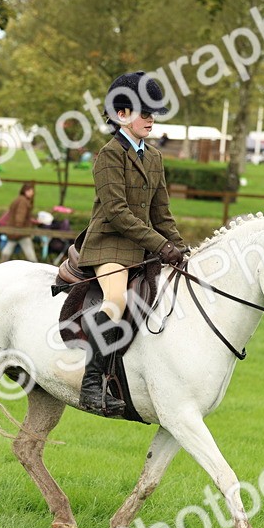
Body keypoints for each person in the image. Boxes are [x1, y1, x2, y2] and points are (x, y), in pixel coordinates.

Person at [76, 71, 186, 417]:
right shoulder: (108, 155)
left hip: (142, 247)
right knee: (116, 299)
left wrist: (181, 249)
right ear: (121, 114)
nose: (151, 119)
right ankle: (91, 384)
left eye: (154, 114)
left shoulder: (154, 158)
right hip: (109, 243)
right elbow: (118, 213)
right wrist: (161, 245)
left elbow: (161, 213)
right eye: (145, 113)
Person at [0, 182, 40, 262]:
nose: (32, 193)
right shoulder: (23, 201)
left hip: (15, 231)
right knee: (31, 256)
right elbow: (20, 215)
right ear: (25, 191)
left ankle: (1, 266)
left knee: (6, 252)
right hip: (21, 232)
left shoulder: (19, 199)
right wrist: (19, 229)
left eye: (32, 191)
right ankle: (37, 268)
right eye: (30, 191)